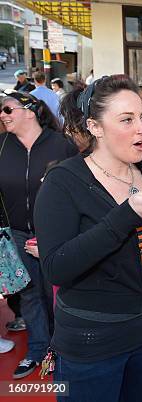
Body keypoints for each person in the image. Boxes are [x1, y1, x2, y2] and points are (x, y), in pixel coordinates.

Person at [34, 75, 142, 401]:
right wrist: (125, 215)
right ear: (95, 127)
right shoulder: (62, 182)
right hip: (92, 342)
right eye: (126, 120)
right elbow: (56, 269)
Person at [0, 90, 77, 379]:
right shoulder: (2, 145)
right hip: (16, 233)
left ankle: (61, 350)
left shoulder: (62, 146)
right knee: (30, 295)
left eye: (8, 110)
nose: (3, 115)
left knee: (55, 293)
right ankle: (37, 350)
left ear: (29, 111)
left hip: (56, 234)